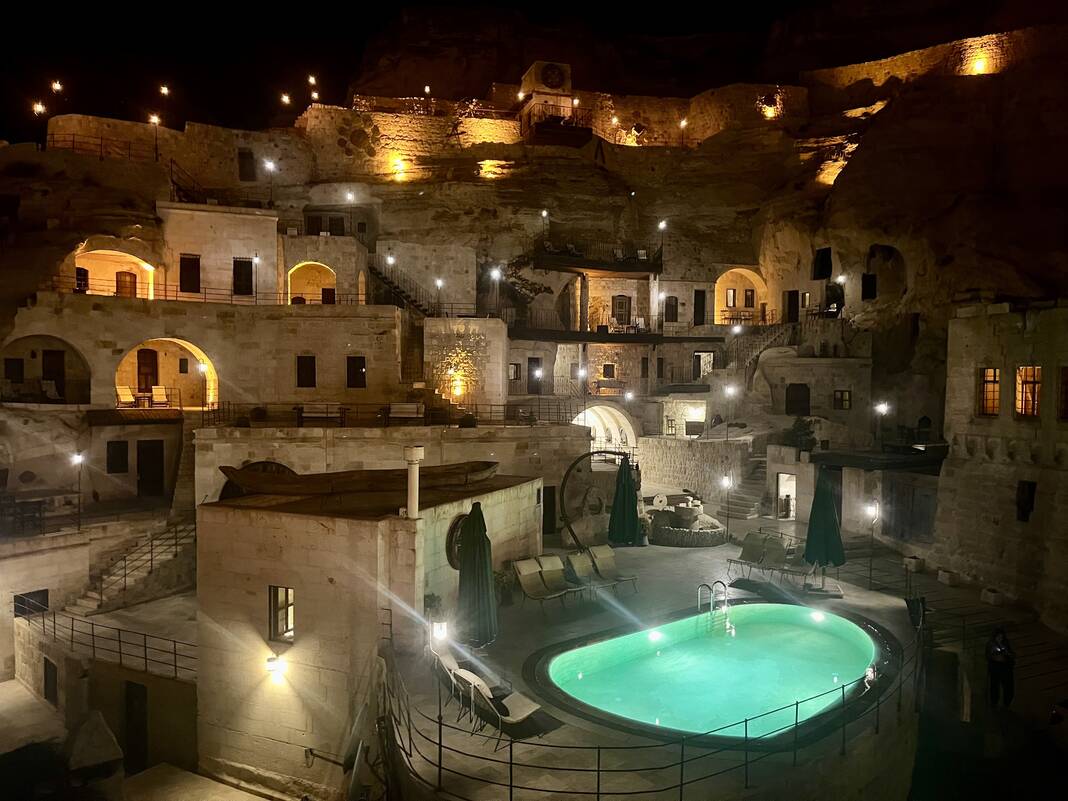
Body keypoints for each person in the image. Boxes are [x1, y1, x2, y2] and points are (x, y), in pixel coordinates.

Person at [986, 628, 1016, 707]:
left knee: (1008, 687)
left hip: (1006, 669)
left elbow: (1011, 654)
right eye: (998, 637)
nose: (1000, 639)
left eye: (1001, 637)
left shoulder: (1005, 643)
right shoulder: (991, 644)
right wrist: (995, 656)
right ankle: (994, 702)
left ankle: (1006, 703)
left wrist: (1007, 654)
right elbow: (988, 655)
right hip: (995, 669)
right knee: (995, 687)